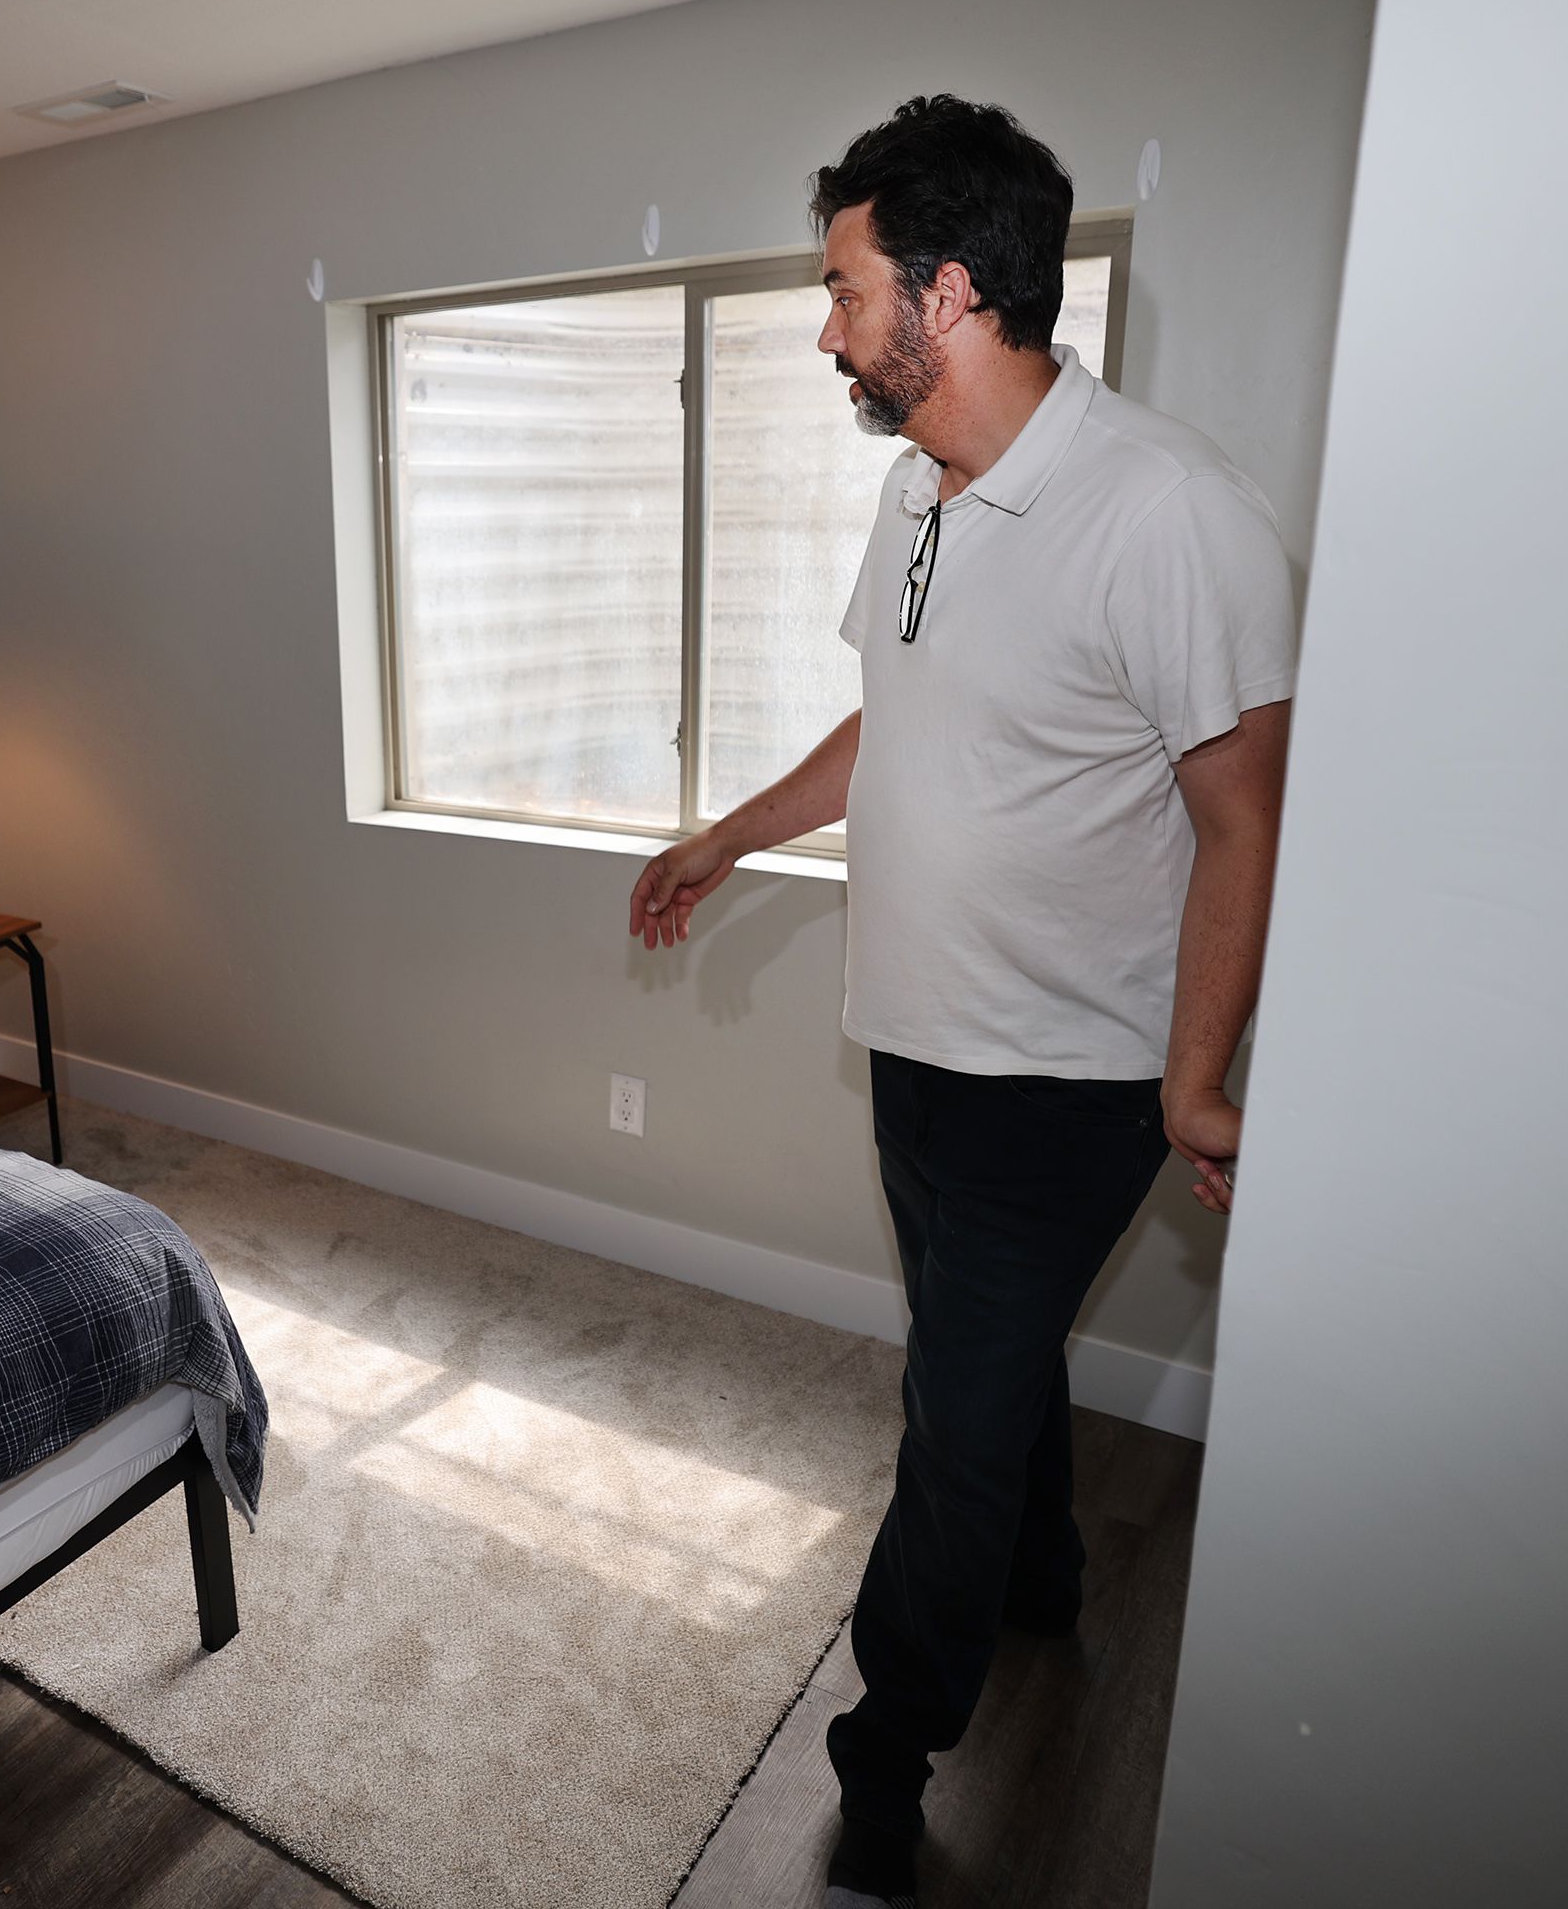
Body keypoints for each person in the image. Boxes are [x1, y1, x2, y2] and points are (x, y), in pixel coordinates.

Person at [628, 96, 1295, 1908]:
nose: (825, 326)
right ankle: (1045, 1585)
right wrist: (727, 839)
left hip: (1063, 1078)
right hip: (914, 1046)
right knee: (985, 1375)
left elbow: (1248, 814)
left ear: (950, 287)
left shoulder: (1167, 512)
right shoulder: (916, 490)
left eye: (844, 289)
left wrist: (1195, 1081)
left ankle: (875, 1771)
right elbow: (887, 727)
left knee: (951, 1410)